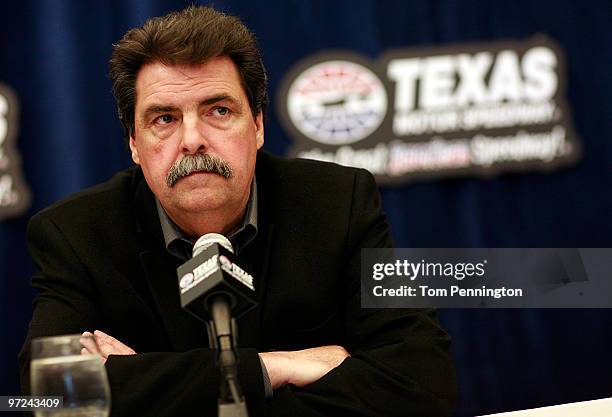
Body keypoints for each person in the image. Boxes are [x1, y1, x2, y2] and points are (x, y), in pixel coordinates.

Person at [19, 6, 456, 417]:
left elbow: (423, 382)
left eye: (219, 110)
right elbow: (51, 393)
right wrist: (273, 368)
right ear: (134, 143)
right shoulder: (76, 234)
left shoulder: (337, 202)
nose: (192, 139)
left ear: (259, 126)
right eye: (164, 119)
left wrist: (152, 388)